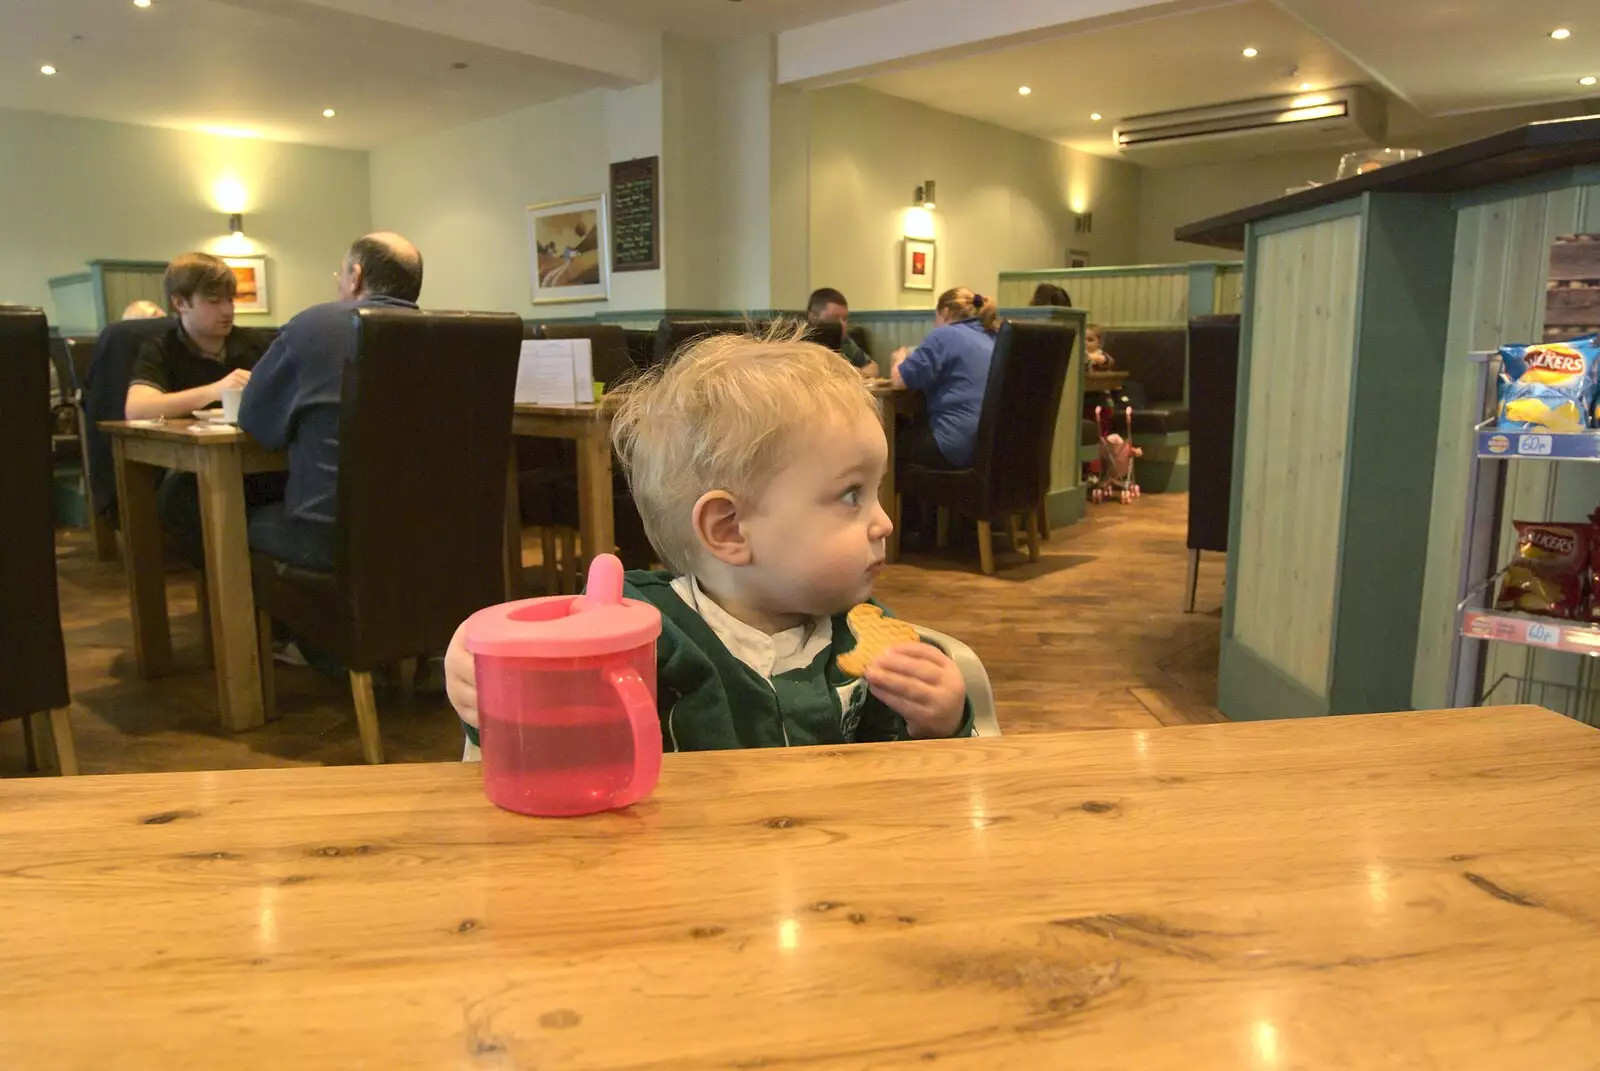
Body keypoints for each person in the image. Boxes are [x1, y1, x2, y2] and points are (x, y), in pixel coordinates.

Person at [444, 327, 974, 756]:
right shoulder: (638, 634)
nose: (884, 523)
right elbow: (555, 741)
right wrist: (488, 685)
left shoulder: (865, 640)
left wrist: (938, 719)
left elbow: (902, 785)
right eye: (851, 496)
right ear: (729, 529)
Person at [237, 231, 423, 573]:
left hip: (329, 538)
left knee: (217, 515)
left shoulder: (312, 326)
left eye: (341, 275)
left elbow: (253, 419)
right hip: (428, 529)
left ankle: (275, 623)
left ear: (356, 276)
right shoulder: (447, 337)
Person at [124, 252, 276, 567]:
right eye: (214, 301)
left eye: (231, 300)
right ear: (181, 303)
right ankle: (226, 597)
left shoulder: (256, 344)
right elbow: (137, 408)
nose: (228, 310)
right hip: (195, 469)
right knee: (184, 502)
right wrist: (213, 391)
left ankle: (263, 598)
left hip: (260, 463)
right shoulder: (161, 348)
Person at [888, 287, 1000, 470]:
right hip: (989, 448)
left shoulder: (945, 334)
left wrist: (899, 357)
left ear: (945, 313)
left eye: (936, 317)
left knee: (887, 444)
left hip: (955, 446)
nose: (935, 324)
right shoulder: (994, 337)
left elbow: (898, 381)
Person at [806, 287, 875, 374]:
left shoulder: (844, 341)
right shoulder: (799, 344)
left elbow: (872, 366)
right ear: (813, 318)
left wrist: (857, 375)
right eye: (833, 318)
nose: (842, 324)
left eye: (845, 318)